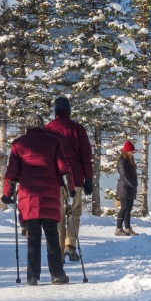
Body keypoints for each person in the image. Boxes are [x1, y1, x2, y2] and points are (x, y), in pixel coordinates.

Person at [3, 118, 72, 284]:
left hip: (29, 197)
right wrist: (71, 190)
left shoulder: (18, 144)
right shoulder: (53, 142)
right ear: (42, 126)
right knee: (52, 236)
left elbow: (12, 173)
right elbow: (64, 168)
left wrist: (7, 194)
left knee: (33, 237)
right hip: (50, 195)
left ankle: (32, 276)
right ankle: (57, 274)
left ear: (28, 126)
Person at [46, 96, 95, 258]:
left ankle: (59, 249)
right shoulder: (78, 129)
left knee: (58, 213)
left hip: (55, 179)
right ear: (69, 110)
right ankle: (70, 244)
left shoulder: (48, 129)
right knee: (74, 213)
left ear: (55, 111)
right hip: (77, 177)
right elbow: (86, 156)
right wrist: (89, 179)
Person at [112, 138, 140, 236]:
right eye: (131, 151)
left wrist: (134, 185)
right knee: (124, 207)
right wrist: (131, 184)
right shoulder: (122, 161)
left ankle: (128, 228)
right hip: (124, 187)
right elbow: (124, 175)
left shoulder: (129, 160)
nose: (132, 153)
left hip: (130, 188)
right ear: (127, 151)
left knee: (129, 208)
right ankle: (119, 228)